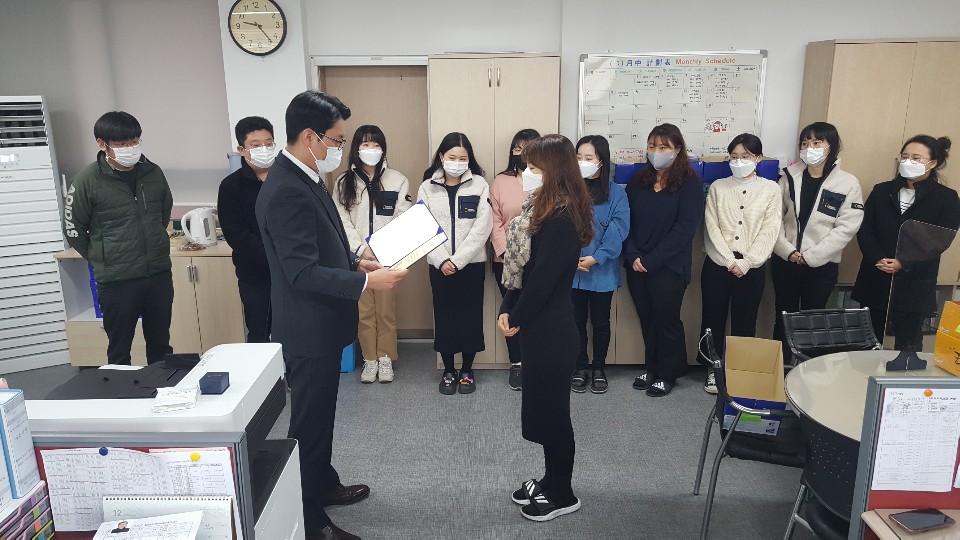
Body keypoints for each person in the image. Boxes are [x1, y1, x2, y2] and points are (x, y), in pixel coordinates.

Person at [255, 91, 408, 540]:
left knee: (322, 417)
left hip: (322, 323)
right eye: (337, 140)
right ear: (310, 136)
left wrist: (356, 264)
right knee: (308, 425)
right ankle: (309, 519)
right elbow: (301, 272)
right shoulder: (285, 189)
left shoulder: (306, 176)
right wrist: (366, 284)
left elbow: (323, 245)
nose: (340, 147)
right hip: (307, 327)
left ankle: (321, 483)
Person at [498, 134, 594, 521]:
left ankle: (564, 493)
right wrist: (508, 307)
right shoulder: (539, 209)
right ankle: (550, 479)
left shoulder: (562, 219)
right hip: (538, 328)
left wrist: (516, 317)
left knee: (555, 415)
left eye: (535, 167)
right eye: (526, 166)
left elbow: (541, 282)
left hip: (552, 330)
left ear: (554, 171)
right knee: (542, 411)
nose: (527, 173)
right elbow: (521, 269)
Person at [62, 111, 174, 366]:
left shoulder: (152, 172)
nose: (130, 148)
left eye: (134, 141)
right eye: (122, 144)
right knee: (119, 349)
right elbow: (73, 228)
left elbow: (163, 211)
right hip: (116, 280)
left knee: (161, 345)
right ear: (102, 144)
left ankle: (162, 387)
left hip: (157, 273)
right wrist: (100, 256)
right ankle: (119, 389)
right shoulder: (87, 180)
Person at [853, 135, 959, 350]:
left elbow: (940, 241)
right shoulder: (882, 191)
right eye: (905, 156)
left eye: (916, 158)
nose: (908, 161)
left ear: (932, 163)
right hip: (877, 275)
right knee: (868, 343)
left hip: (915, 281)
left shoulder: (946, 198)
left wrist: (904, 263)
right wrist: (878, 258)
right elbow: (865, 229)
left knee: (908, 346)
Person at [622, 123, 704, 397]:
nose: (656, 152)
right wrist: (633, 255)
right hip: (637, 265)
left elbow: (685, 228)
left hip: (669, 266)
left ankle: (668, 373)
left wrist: (652, 260)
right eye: (652, 146)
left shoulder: (690, 183)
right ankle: (652, 367)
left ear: (677, 150)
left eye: (663, 147)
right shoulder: (639, 181)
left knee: (667, 320)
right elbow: (626, 221)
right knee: (647, 319)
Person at [699, 134, 782, 394]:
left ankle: (738, 372)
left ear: (758, 158)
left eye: (745, 157)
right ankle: (712, 370)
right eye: (734, 157)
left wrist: (748, 262)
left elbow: (770, 230)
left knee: (745, 322)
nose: (739, 161)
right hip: (717, 264)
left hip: (752, 267)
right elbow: (711, 227)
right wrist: (728, 260)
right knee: (712, 319)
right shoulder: (718, 187)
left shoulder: (771, 189)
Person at [772, 122, 863, 351]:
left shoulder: (847, 183)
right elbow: (774, 219)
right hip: (786, 261)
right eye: (804, 143)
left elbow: (847, 227)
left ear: (830, 146)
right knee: (783, 318)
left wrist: (812, 256)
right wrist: (787, 251)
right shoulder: (788, 177)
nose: (809, 148)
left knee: (813, 323)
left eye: (816, 142)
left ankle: (807, 369)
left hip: (822, 265)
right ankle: (780, 366)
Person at [333, 125, 412, 384]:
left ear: (383, 149)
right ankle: (370, 358)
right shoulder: (343, 182)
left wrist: (382, 248)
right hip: (358, 260)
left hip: (389, 257)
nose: (371, 149)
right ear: (356, 149)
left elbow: (403, 217)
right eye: (366, 144)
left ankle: (385, 357)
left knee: (386, 311)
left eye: (376, 145)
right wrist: (361, 249)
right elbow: (341, 221)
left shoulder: (398, 180)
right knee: (363, 311)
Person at [421, 132, 492, 395]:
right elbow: (422, 226)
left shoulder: (480, 184)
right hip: (439, 265)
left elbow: (483, 226)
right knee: (445, 316)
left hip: (471, 265)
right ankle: (449, 370)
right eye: (452, 157)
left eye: (463, 158)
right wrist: (442, 259)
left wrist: (458, 260)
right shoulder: (427, 187)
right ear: (441, 156)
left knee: (470, 317)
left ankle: (467, 370)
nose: (458, 162)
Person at [570, 135, 629, 394]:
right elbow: (560, 227)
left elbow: (619, 229)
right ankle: (580, 366)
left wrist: (597, 257)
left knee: (601, 322)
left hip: (602, 270)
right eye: (578, 157)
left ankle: (599, 368)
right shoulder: (568, 190)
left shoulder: (617, 194)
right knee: (575, 322)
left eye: (588, 158)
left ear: (601, 161)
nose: (582, 162)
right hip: (572, 271)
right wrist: (570, 257)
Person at [217, 116, 276, 343]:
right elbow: (235, 233)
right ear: (241, 149)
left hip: (291, 271)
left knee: (293, 333)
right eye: (256, 145)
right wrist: (273, 255)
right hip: (255, 275)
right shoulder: (231, 186)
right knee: (260, 334)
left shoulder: (287, 179)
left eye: (268, 144)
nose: (264, 149)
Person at [490, 128, 540, 390]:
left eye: (528, 148)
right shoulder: (500, 181)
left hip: (539, 261)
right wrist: (506, 252)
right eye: (518, 148)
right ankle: (517, 364)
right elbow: (494, 220)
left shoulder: (545, 180)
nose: (522, 153)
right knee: (510, 312)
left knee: (535, 312)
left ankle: (535, 361)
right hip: (506, 261)